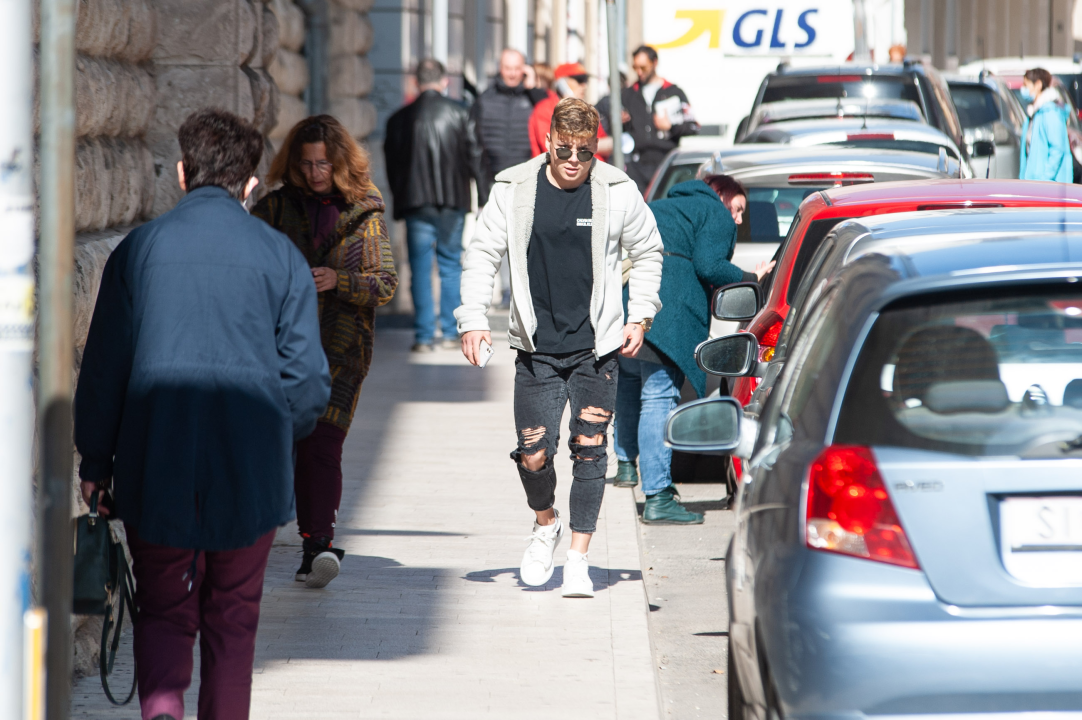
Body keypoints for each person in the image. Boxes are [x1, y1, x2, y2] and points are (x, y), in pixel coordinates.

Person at [75, 108, 331, 720]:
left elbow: (104, 369)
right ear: (251, 184)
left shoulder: (138, 251)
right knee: (233, 619)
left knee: (163, 611)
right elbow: (307, 382)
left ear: (183, 173)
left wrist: (97, 463)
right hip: (250, 467)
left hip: (155, 462)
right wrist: (276, 434)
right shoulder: (282, 258)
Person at [455, 98, 664, 598]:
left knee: (590, 451)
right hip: (536, 349)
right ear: (548, 142)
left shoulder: (616, 190)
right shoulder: (514, 188)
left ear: (596, 149)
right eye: (564, 149)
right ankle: (545, 523)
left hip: (597, 349)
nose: (573, 160)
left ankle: (577, 559)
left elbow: (648, 250)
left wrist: (640, 314)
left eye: (584, 152)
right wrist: (473, 318)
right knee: (533, 453)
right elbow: (483, 252)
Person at [251, 115, 398, 588]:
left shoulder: (364, 210)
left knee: (323, 443)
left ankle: (317, 546)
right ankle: (253, 538)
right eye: (306, 164)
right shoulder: (274, 210)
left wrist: (340, 280)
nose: (315, 173)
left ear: (340, 163)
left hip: (342, 348)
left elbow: (385, 283)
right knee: (276, 442)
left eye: (324, 164)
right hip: (279, 347)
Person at [612, 176, 773, 521]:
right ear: (721, 195)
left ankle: (626, 465)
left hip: (629, 302)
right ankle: (657, 497)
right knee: (659, 395)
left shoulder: (660, 206)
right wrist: (751, 278)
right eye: (737, 209)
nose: (738, 220)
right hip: (667, 309)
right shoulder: (713, 211)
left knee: (629, 382)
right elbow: (708, 265)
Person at [385, 59, 487, 352]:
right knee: (451, 265)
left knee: (419, 269)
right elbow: (476, 155)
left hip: (416, 202)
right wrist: (483, 196)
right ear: (444, 81)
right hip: (452, 200)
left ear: (415, 82)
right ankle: (451, 333)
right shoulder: (460, 112)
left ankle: (424, 336)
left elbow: (393, 166)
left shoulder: (399, 119)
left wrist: (399, 198)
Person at [623, 45, 699, 192]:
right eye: (635, 67)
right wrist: (621, 120)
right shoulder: (628, 94)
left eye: (643, 67)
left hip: (666, 162)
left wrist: (671, 127)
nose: (639, 72)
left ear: (654, 63)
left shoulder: (673, 92)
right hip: (637, 165)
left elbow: (694, 126)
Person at [471, 48, 538, 187]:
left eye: (517, 68)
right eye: (508, 68)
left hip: (526, 176)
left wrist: (533, 89)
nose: (512, 74)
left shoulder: (533, 98)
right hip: (493, 177)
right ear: (500, 68)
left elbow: (551, 112)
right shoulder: (485, 99)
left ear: (524, 69)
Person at [528, 63, 613, 158]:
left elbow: (605, 142)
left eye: (585, 80)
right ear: (562, 84)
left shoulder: (586, 109)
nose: (584, 85)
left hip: (590, 165)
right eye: (579, 80)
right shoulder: (545, 109)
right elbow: (555, 149)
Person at [1019, 67, 1073, 183]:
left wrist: (1045, 179)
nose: (1022, 89)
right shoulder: (1034, 113)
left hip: (1046, 185)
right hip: (1033, 183)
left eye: (1026, 85)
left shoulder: (1050, 113)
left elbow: (1057, 149)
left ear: (1038, 85)